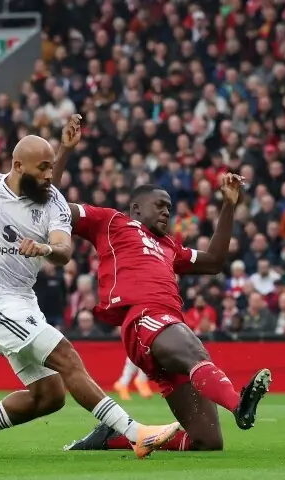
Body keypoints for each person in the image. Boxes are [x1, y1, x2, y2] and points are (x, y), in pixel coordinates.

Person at [0, 135, 181, 459]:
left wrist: (46, 247)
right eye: (43, 168)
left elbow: (64, 250)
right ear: (18, 166)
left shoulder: (54, 202)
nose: (50, 175)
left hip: (21, 300)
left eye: (52, 167)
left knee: (48, 396)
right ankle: (136, 434)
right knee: (66, 356)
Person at [54, 116, 271, 453]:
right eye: (160, 205)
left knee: (207, 441)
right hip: (145, 319)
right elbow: (51, 207)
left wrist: (229, 205)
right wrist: (64, 151)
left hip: (167, 332)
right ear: (136, 207)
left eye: (169, 207)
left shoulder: (171, 247)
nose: (167, 212)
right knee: (196, 351)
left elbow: (214, 261)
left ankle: (112, 438)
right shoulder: (111, 222)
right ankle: (239, 402)